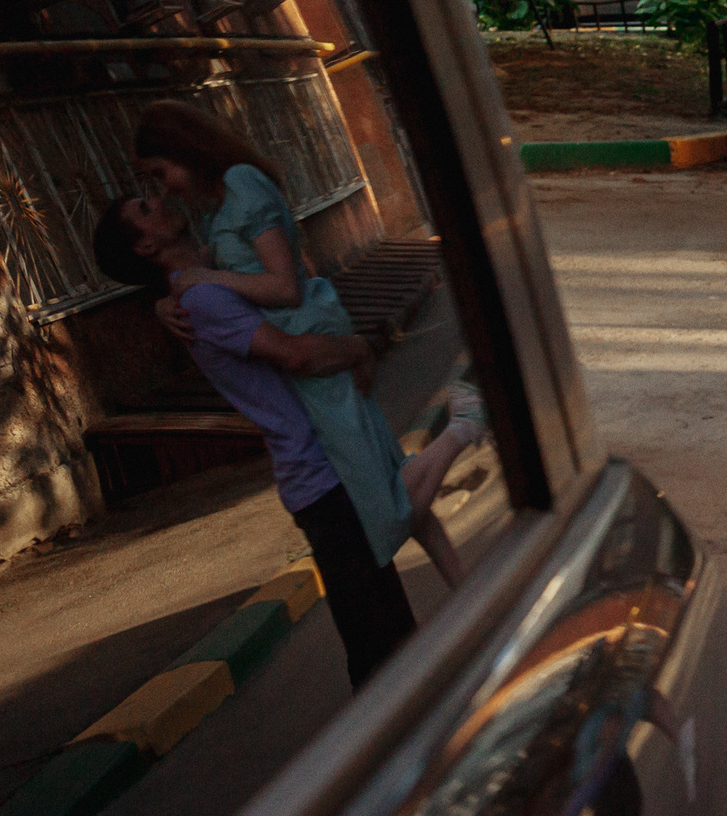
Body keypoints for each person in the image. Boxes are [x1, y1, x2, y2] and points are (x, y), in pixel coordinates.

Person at [126, 102, 486, 587]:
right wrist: (165, 301)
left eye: (160, 172)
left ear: (183, 150)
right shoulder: (218, 207)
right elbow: (224, 276)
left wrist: (205, 276)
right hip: (309, 347)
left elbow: (284, 287)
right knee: (390, 474)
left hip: (311, 348)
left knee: (385, 506)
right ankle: (469, 592)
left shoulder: (242, 183)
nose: (164, 188)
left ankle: (463, 427)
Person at [93, 190, 420, 688]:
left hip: (325, 466)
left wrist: (164, 299)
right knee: (382, 645)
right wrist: (359, 347)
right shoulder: (202, 298)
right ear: (145, 247)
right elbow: (293, 355)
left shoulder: (205, 283)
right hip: (319, 477)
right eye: (144, 207)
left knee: (388, 635)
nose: (158, 199)